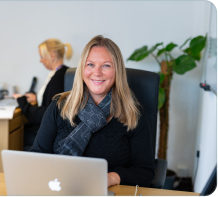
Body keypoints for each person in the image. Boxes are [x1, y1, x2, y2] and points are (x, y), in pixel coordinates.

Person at [30, 35, 155, 187]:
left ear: (117, 71)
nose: (97, 72)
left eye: (106, 65)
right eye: (90, 64)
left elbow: (145, 171)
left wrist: (111, 178)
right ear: (82, 69)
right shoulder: (60, 106)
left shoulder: (132, 113)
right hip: (61, 187)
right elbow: (37, 156)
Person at [13, 38, 73, 150]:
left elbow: (47, 114)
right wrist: (36, 98)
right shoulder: (64, 72)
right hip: (57, 129)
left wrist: (22, 102)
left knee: (17, 133)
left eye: (41, 56)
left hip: (50, 132)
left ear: (52, 56)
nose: (40, 60)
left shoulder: (57, 79)